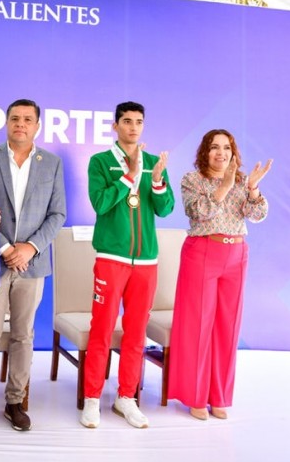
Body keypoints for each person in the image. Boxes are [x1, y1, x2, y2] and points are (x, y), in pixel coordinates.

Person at [0, 98, 67, 432]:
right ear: (6, 123)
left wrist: (30, 247)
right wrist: (5, 247)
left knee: (23, 334)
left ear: (37, 126)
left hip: (32, 264)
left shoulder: (51, 163)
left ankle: (15, 401)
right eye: (15, 118)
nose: (21, 124)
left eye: (28, 119)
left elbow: (58, 214)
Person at [80, 101, 174, 429]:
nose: (133, 127)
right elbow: (100, 203)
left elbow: (165, 209)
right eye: (127, 121)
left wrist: (157, 181)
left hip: (146, 262)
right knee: (102, 329)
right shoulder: (101, 161)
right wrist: (129, 176)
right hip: (111, 259)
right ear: (115, 126)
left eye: (138, 122)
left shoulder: (154, 163)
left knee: (136, 333)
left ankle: (126, 397)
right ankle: (92, 398)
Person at [168, 129, 271, 421]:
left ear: (233, 152)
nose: (221, 153)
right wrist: (224, 185)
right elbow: (198, 212)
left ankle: (219, 396)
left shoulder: (242, 180)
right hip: (203, 252)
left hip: (236, 254)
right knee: (198, 325)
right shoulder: (193, 179)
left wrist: (252, 188)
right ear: (205, 151)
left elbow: (257, 215)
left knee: (228, 326)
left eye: (227, 147)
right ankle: (195, 396)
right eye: (215, 147)